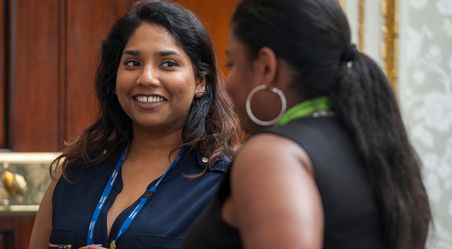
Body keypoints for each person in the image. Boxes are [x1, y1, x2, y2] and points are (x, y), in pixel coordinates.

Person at [183, 0, 432, 249]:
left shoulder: (272, 156)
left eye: (232, 64)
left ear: (266, 67)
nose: (228, 85)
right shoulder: (374, 143)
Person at [29, 1, 243, 248]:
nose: (146, 78)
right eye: (132, 63)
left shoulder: (225, 182)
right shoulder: (75, 170)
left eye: (168, 64)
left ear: (200, 82)